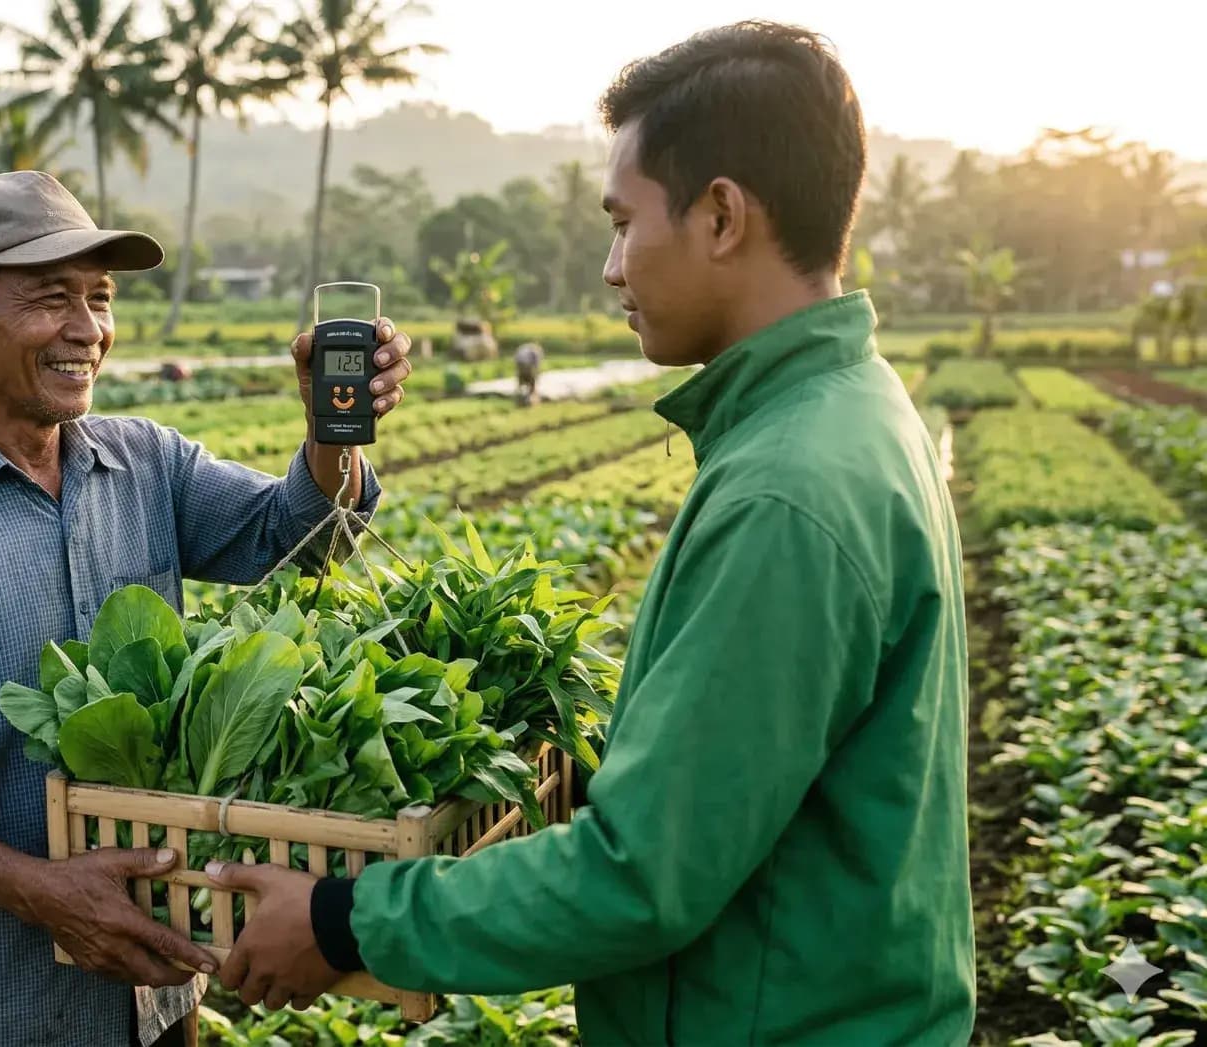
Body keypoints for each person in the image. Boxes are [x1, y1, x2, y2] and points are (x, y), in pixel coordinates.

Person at [204, 21, 974, 1046]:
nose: (612, 268)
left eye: (622, 223)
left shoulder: (785, 494)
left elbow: (642, 876)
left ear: (721, 215)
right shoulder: (852, 411)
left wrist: (346, 923)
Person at [0, 169, 414, 1047]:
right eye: (51, 299)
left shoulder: (146, 463)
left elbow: (303, 539)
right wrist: (43, 889)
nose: (87, 331)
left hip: (152, 1000)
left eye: (100, 297)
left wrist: (332, 429)